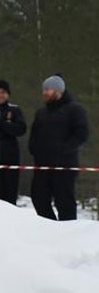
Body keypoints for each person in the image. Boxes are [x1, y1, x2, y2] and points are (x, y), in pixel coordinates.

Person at [29, 75, 89, 221]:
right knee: (39, 199)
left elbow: (81, 134)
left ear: (58, 91)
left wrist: (64, 150)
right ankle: (50, 228)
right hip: (42, 166)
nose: (44, 93)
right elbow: (34, 135)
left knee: (64, 202)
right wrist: (34, 150)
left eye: (47, 90)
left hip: (64, 166)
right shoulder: (41, 113)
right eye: (44, 90)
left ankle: (67, 233)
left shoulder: (75, 109)